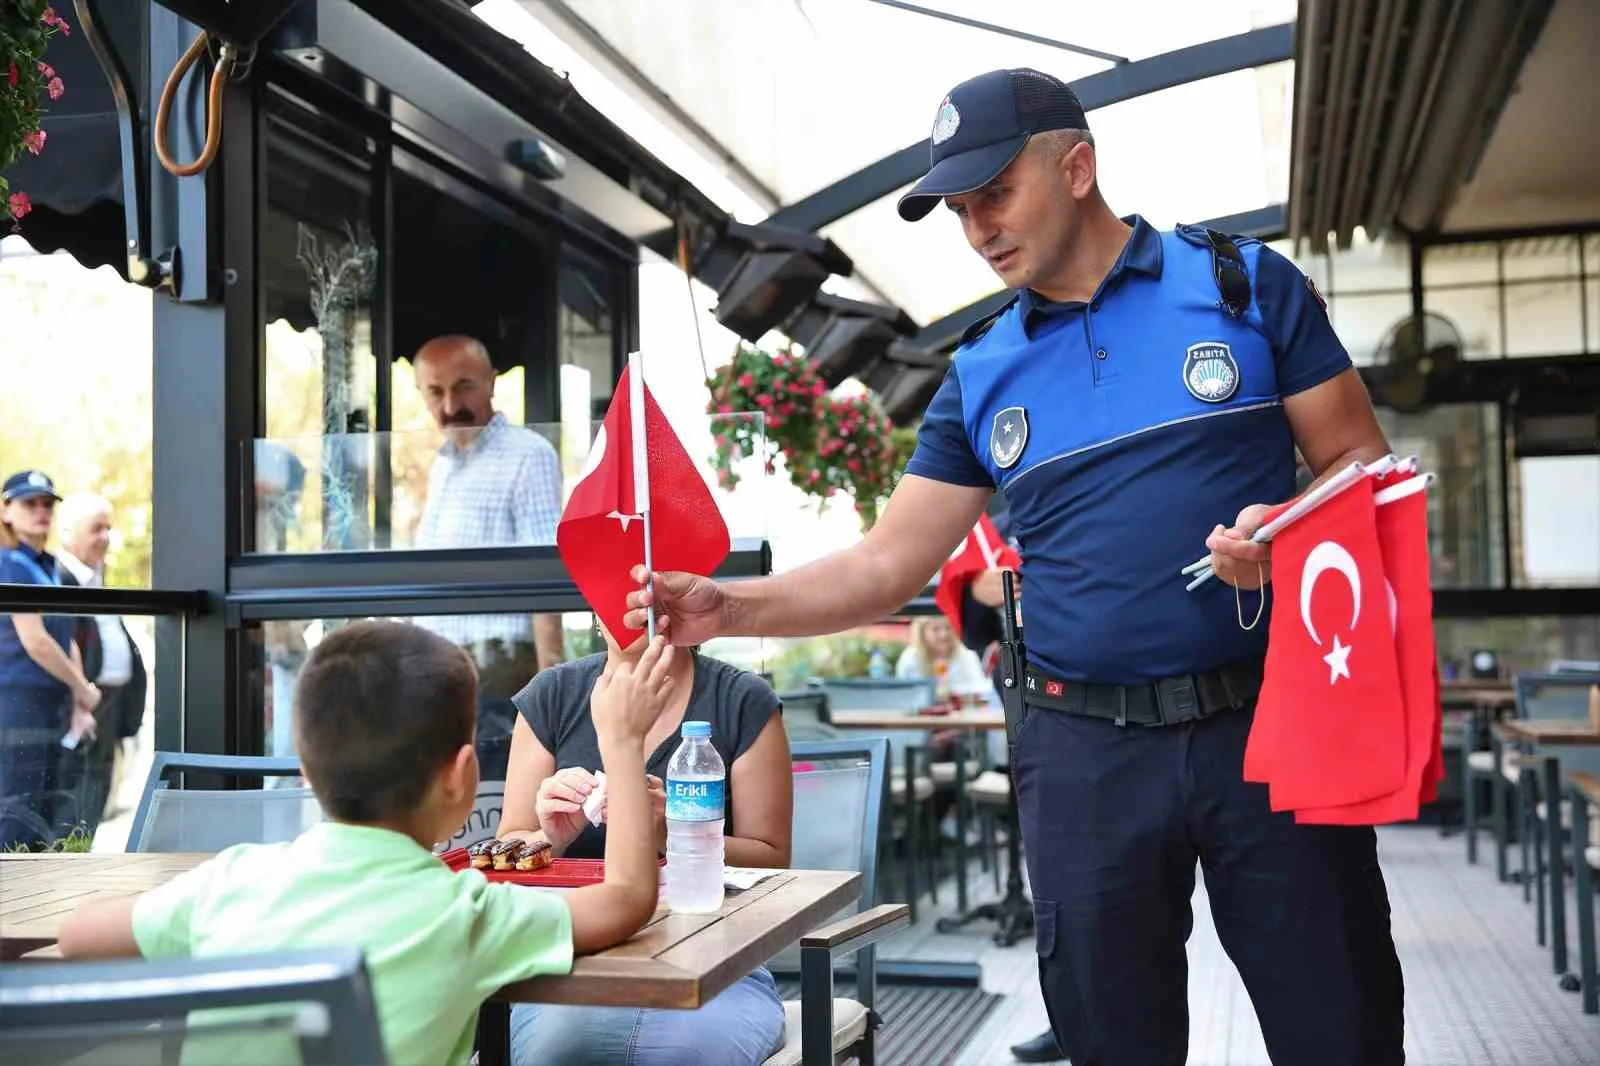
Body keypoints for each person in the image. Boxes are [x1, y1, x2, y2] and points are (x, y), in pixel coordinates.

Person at [625, 69, 1403, 1066]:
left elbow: (1360, 462)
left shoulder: (1241, 287)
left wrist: (1289, 528)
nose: (977, 227)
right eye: (957, 210)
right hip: (1081, 752)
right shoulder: (980, 369)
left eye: (994, 193)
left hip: (1271, 721)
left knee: (1337, 1023)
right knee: (1110, 1040)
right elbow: (885, 559)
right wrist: (722, 606)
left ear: (1075, 166)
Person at [58, 620, 671, 1066]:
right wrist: (621, 744)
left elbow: (77, 937)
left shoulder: (230, 882)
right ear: (461, 777)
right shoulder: (466, 914)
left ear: (304, 771)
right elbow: (626, 897)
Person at [497, 620, 793, 1066]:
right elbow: (509, 851)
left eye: (652, 589)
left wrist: (672, 829)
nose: (636, 608)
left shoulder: (741, 700)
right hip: (573, 965)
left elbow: (774, 859)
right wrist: (550, 838)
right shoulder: (553, 695)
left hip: (715, 964)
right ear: (593, 614)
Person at [410, 334, 567, 783]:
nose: (450, 404)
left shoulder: (527, 455)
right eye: (435, 392)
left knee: (497, 821)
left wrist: (549, 696)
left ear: (491, 383)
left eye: (464, 387)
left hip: (501, 679)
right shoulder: (443, 464)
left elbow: (545, 576)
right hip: (443, 679)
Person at [0, 470, 99, 849]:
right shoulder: (9, 563)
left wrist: (79, 697)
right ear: (7, 511)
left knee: (44, 813)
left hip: (50, 709)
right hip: (17, 708)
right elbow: (36, 641)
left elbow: (65, 636)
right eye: (30, 504)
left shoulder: (49, 566)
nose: (41, 512)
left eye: (47, 504)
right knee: (16, 813)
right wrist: (81, 686)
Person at [53, 492, 148, 838]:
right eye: (96, 529)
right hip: (80, 709)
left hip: (110, 708)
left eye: (108, 528)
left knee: (94, 803)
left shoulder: (96, 579)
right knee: (72, 808)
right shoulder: (57, 578)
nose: (105, 538)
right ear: (68, 533)